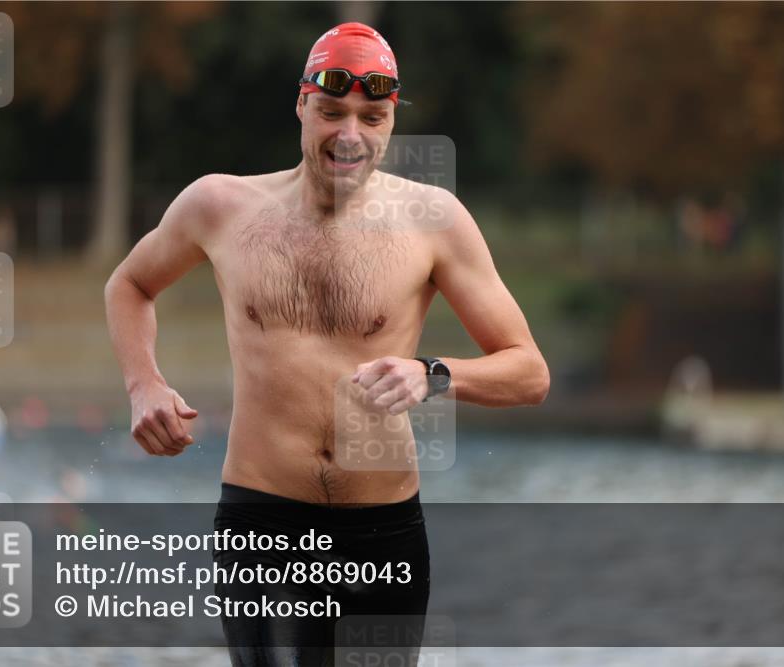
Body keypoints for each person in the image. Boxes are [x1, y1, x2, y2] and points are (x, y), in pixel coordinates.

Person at [104, 21, 549, 666]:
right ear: (301, 106)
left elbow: (529, 373)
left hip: (384, 532)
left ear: (391, 118)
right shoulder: (220, 205)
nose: (350, 135)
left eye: (372, 117)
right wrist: (143, 382)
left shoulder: (435, 222)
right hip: (265, 522)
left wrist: (434, 373)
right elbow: (130, 284)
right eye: (332, 112)